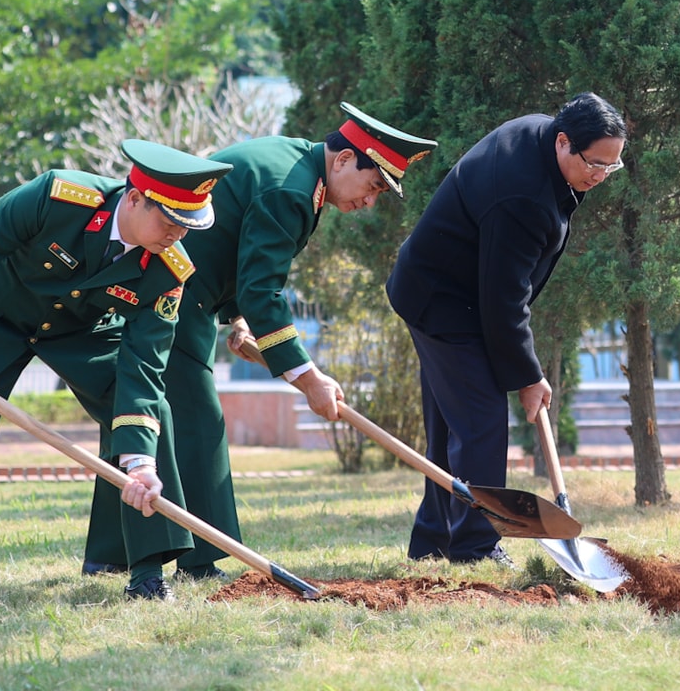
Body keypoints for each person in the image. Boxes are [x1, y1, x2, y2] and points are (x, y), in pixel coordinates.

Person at [80, 104, 436, 579]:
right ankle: (198, 558)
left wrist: (236, 317)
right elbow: (262, 287)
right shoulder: (291, 189)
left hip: (187, 295)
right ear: (346, 160)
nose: (369, 202)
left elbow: (234, 249)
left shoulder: (292, 165)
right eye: (373, 186)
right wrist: (307, 377)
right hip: (170, 296)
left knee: (141, 416)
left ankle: (110, 553)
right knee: (194, 421)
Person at [0, 141, 232, 608]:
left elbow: (142, 367)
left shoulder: (169, 270)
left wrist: (140, 463)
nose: (177, 235)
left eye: (187, 226)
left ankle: (146, 573)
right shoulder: (57, 196)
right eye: (169, 221)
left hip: (79, 331)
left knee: (150, 414)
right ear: (134, 197)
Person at [386, 92, 625, 565]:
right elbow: (503, 300)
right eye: (595, 164)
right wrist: (527, 376)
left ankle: (434, 542)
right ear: (563, 142)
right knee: (480, 424)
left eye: (611, 167)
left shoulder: (541, 138)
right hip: (443, 301)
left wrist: (523, 372)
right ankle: (475, 548)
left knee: (449, 431)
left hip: (453, 290)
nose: (599, 176)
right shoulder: (524, 197)